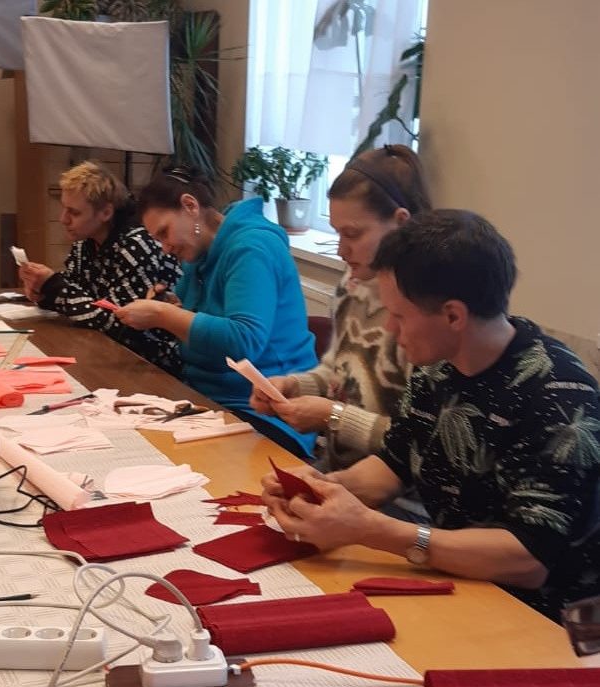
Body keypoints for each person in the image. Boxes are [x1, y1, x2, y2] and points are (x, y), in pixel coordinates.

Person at [261, 209, 600, 621]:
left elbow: (528, 560)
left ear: (454, 315)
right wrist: (318, 490)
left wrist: (369, 529)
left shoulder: (559, 395)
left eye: (399, 315)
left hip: (543, 620)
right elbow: (395, 463)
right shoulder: (438, 366)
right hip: (464, 583)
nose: (390, 328)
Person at [249, 145, 431, 478]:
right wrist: (294, 386)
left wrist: (332, 416)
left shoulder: (425, 313)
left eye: (353, 234)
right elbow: (337, 372)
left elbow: (423, 445)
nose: (341, 249)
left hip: (394, 496)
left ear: (400, 222)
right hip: (338, 476)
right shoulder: (352, 284)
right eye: (337, 233)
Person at [114, 167, 319, 458]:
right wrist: (172, 307)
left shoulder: (252, 248)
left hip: (266, 412)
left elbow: (244, 341)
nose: (164, 248)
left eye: (164, 233)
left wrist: (163, 315)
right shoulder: (198, 254)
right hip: (209, 398)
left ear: (190, 206)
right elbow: (201, 321)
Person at [18, 161, 182, 375]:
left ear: (105, 213)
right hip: (108, 351)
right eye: (63, 208)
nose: (63, 219)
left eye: (74, 212)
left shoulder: (136, 245)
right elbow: (77, 297)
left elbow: (121, 325)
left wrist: (54, 287)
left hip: (152, 363)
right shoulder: (85, 241)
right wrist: (42, 290)